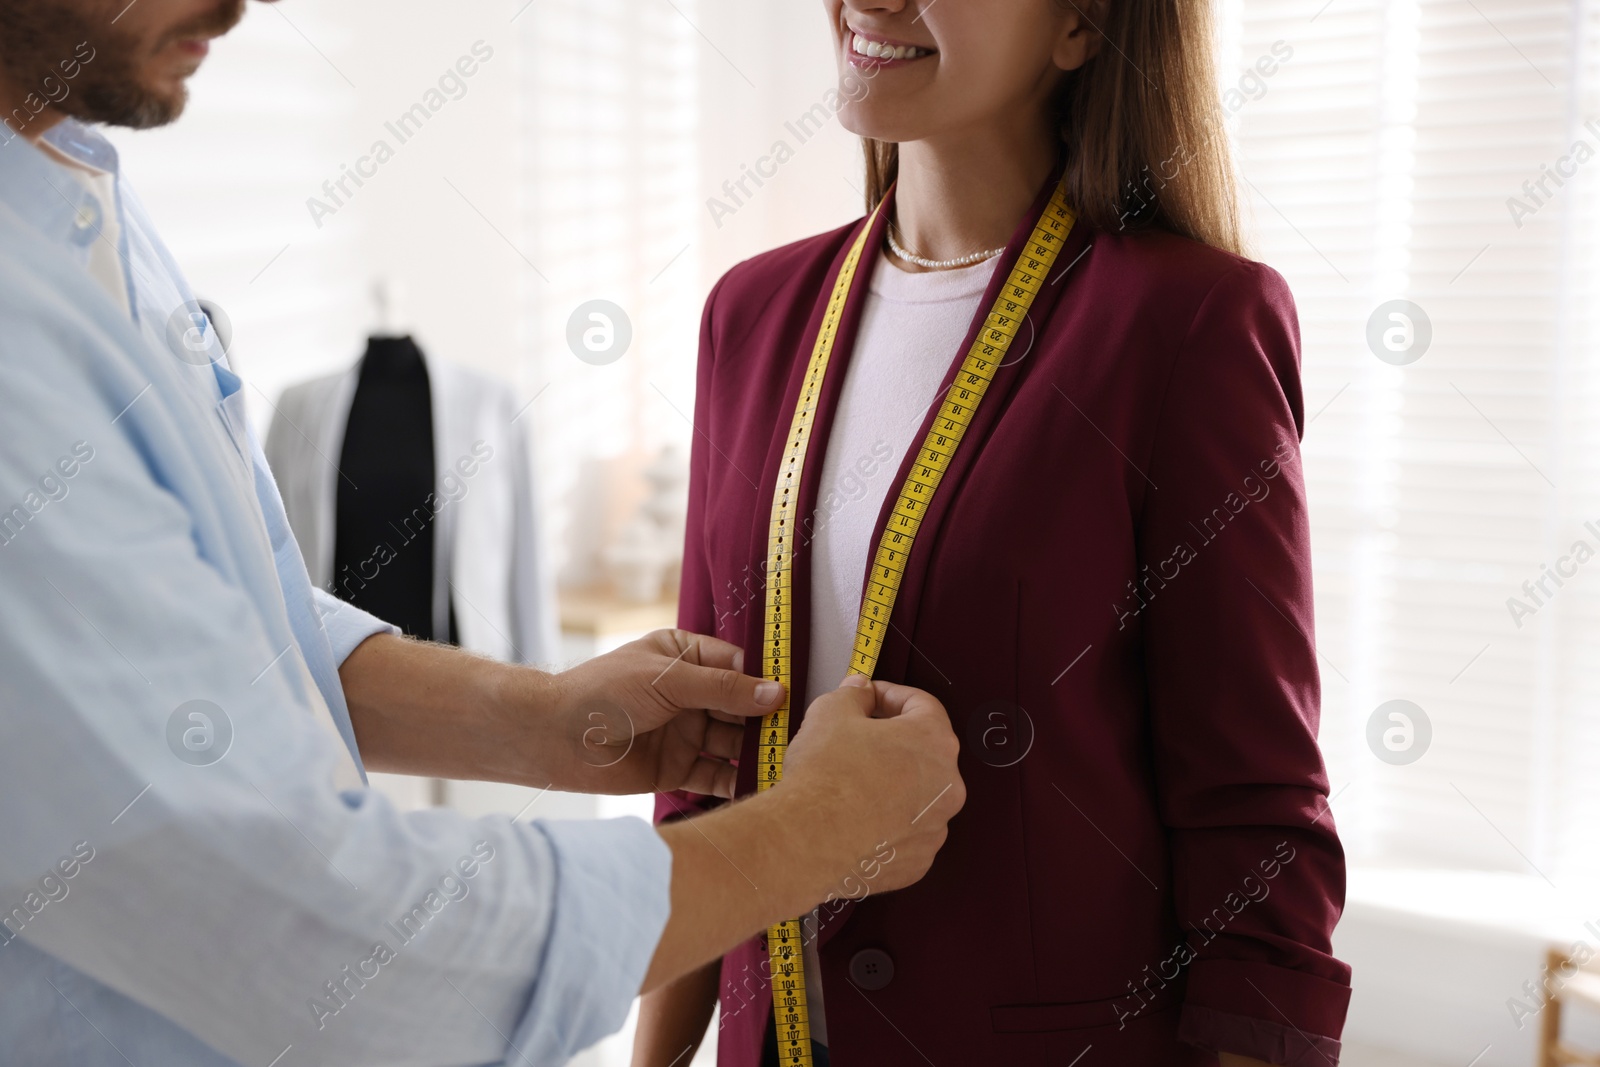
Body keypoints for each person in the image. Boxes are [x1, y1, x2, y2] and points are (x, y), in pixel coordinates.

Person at [0, 2, 966, 1065]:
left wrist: (535, 719)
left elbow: (190, 612)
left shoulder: (72, 179)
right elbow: (341, 955)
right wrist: (813, 831)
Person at [636, 0, 1351, 1065]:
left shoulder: (1188, 324)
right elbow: (704, 759)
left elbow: (1252, 799)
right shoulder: (750, 312)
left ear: (1079, 28)